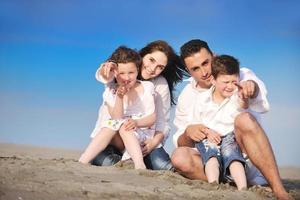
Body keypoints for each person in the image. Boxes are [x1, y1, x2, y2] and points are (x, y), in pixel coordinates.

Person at [171, 39, 289, 199]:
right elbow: (180, 141)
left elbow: (260, 97)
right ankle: (231, 184)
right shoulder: (186, 96)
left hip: (247, 159)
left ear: (214, 56)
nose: (204, 72)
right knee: (179, 157)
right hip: (212, 161)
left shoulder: (239, 73)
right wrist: (187, 133)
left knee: (244, 119)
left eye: (206, 63)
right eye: (195, 69)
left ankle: (278, 190)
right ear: (188, 70)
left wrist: (251, 88)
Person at [80, 40, 186, 170]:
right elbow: (104, 76)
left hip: (142, 137)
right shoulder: (118, 76)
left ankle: (136, 162)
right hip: (114, 139)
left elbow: (161, 121)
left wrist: (153, 143)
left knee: (163, 166)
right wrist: (107, 67)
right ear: (142, 56)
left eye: (160, 67)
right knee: (106, 161)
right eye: (151, 60)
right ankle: (125, 163)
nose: (153, 69)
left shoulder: (156, 85)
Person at [79, 46, 157, 169]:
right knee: (111, 124)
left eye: (131, 72)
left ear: (137, 70)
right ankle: (83, 160)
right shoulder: (111, 90)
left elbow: (152, 117)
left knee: (124, 126)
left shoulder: (147, 87)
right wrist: (119, 97)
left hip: (140, 132)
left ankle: (139, 164)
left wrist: (136, 122)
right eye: (121, 73)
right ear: (115, 74)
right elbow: (117, 117)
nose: (126, 78)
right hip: (118, 136)